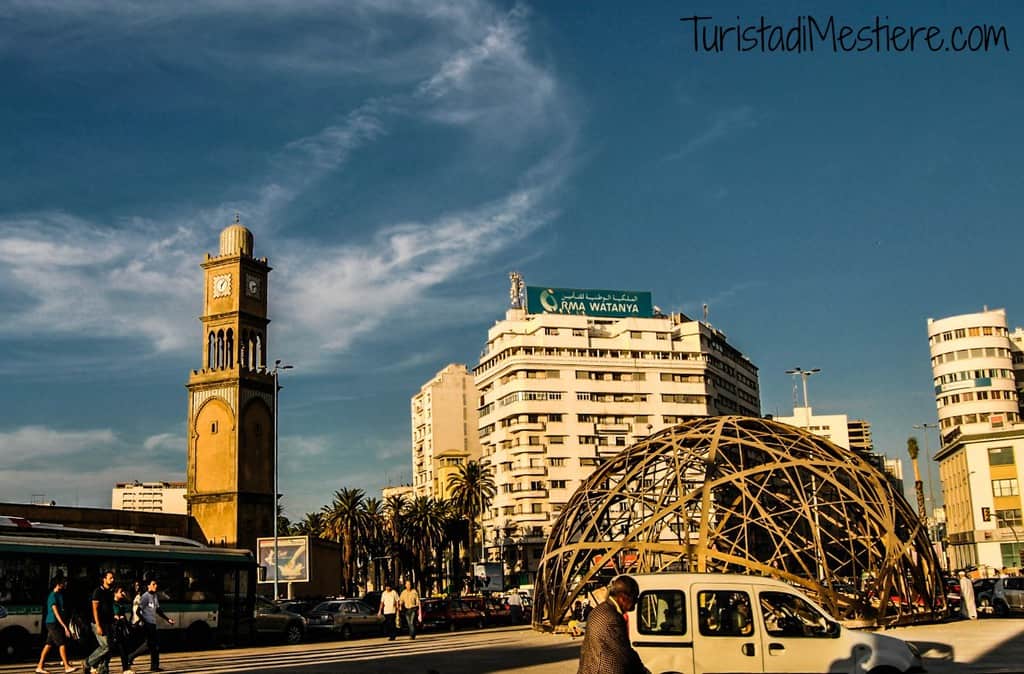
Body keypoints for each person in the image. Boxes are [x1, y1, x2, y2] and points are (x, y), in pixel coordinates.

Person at [577, 575, 649, 674]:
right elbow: (624, 652)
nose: (636, 602)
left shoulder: (600, 609)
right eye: (635, 598)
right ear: (623, 598)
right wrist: (642, 670)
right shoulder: (612, 617)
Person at [127, 579, 175, 672]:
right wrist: (145, 622)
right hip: (148, 624)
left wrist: (167, 619)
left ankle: (131, 657)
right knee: (155, 645)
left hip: (152, 624)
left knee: (149, 645)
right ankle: (154, 666)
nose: (155, 586)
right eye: (153, 584)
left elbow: (158, 610)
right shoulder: (145, 596)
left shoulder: (155, 596)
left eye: (156, 584)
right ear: (148, 586)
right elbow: (138, 611)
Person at [35, 576, 78, 674]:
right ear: (58, 584)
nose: (65, 584)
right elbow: (55, 612)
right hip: (52, 622)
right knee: (62, 643)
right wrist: (64, 626)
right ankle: (66, 666)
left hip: (55, 623)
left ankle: (39, 666)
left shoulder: (60, 595)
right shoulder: (52, 596)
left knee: (48, 644)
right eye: (63, 582)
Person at [85, 570, 115, 674]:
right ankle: (88, 662)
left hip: (109, 623)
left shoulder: (111, 591)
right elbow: (95, 609)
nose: (112, 580)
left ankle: (103, 668)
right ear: (104, 579)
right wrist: (98, 625)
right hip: (99, 623)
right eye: (110, 578)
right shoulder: (98, 591)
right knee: (105, 646)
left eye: (113, 578)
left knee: (110, 647)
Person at [111, 585, 135, 674]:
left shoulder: (121, 602)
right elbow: (114, 616)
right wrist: (117, 617)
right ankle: (92, 664)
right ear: (115, 593)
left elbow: (130, 601)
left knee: (123, 649)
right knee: (109, 649)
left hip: (121, 629)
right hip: (115, 630)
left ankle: (126, 669)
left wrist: (125, 595)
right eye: (121, 592)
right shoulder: (112, 603)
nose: (123, 593)